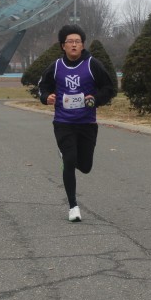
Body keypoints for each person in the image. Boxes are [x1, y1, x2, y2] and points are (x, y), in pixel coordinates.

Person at [37, 25, 117, 222]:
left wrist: (95, 99)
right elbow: (42, 87)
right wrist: (46, 97)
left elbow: (109, 88)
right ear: (63, 46)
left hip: (87, 122)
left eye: (77, 42)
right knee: (70, 160)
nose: (74, 45)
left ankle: (68, 157)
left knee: (86, 166)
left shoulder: (92, 64)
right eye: (70, 42)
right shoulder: (56, 67)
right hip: (63, 122)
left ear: (82, 45)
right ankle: (73, 206)